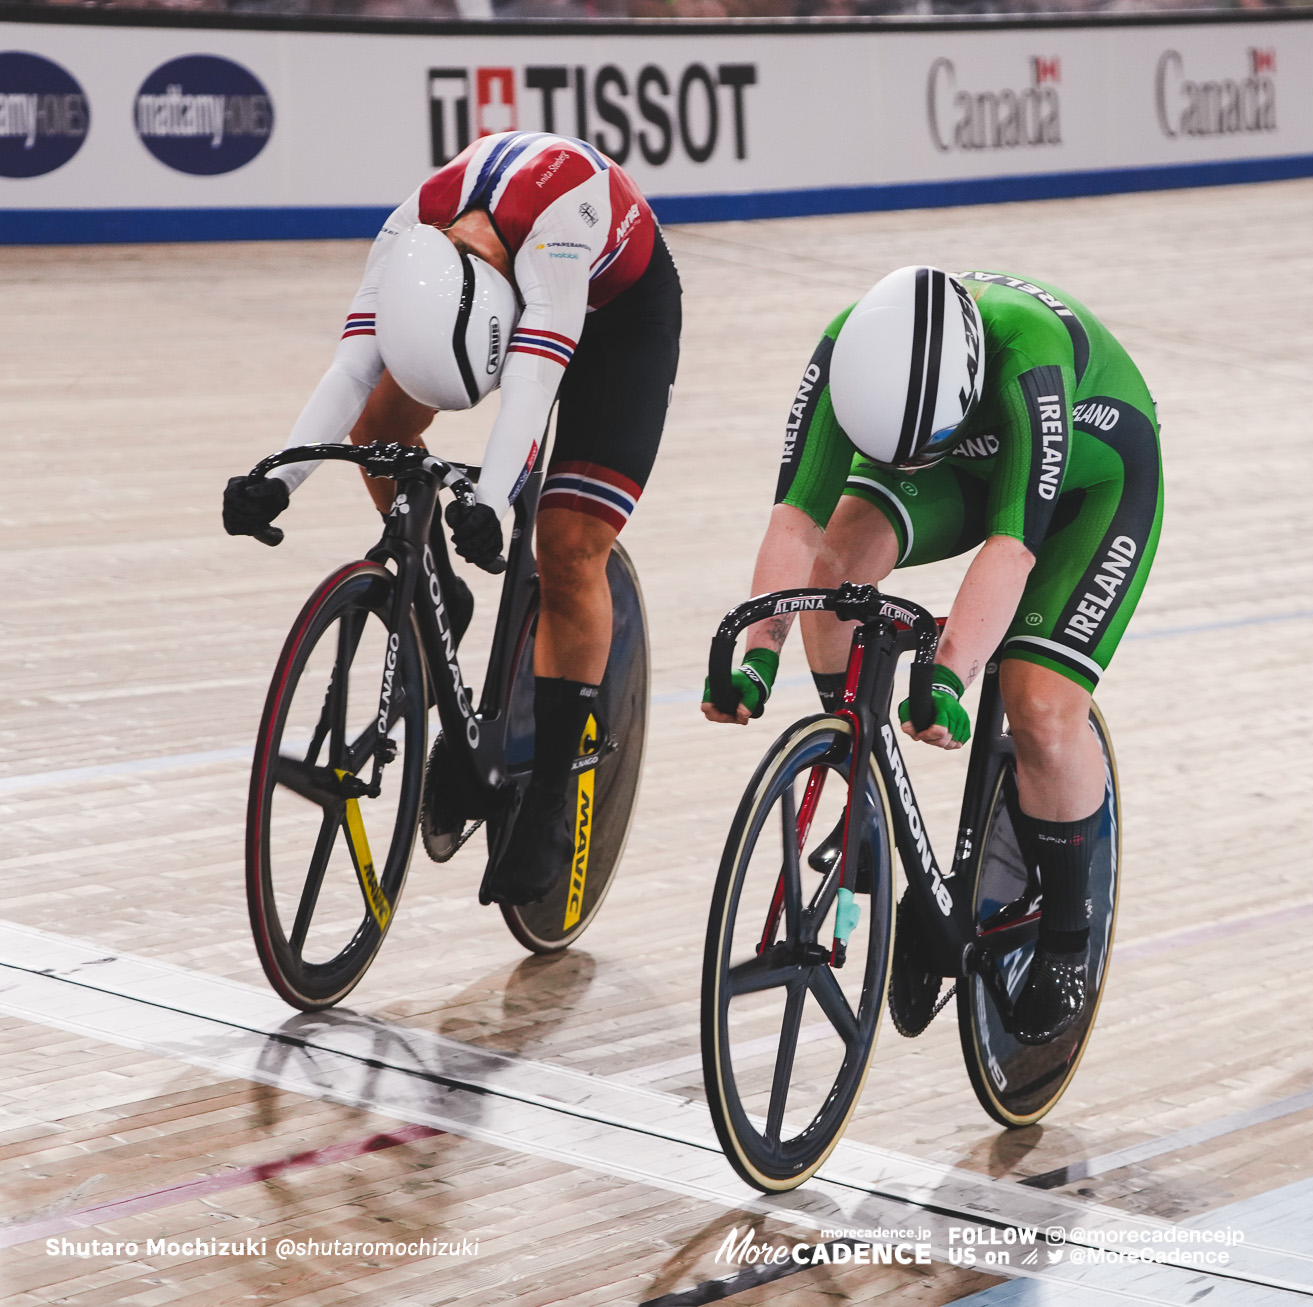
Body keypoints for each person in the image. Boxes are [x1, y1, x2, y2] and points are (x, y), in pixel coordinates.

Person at [701, 266, 1163, 1044]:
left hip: (1094, 479)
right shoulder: (848, 353)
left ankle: (1067, 940)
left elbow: (1013, 547)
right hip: (951, 458)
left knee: (1041, 710)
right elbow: (796, 523)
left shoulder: (1030, 355)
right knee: (835, 571)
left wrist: (948, 675)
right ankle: (866, 787)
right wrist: (758, 657)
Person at [222, 131, 682, 904]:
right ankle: (441, 590)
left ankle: (547, 806)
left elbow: (532, 388)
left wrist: (491, 503)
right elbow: (351, 370)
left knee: (567, 546)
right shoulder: (412, 233)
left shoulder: (557, 232)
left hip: (620, 323)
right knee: (377, 429)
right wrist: (281, 476)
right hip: (500, 291)